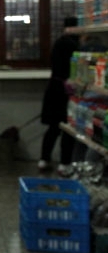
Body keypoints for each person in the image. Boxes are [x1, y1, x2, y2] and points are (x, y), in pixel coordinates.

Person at [38, 17, 80, 173]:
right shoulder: (74, 45)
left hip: (54, 89)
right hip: (66, 91)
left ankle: (44, 160)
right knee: (67, 129)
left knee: (53, 128)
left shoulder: (58, 42)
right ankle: (64, 163)